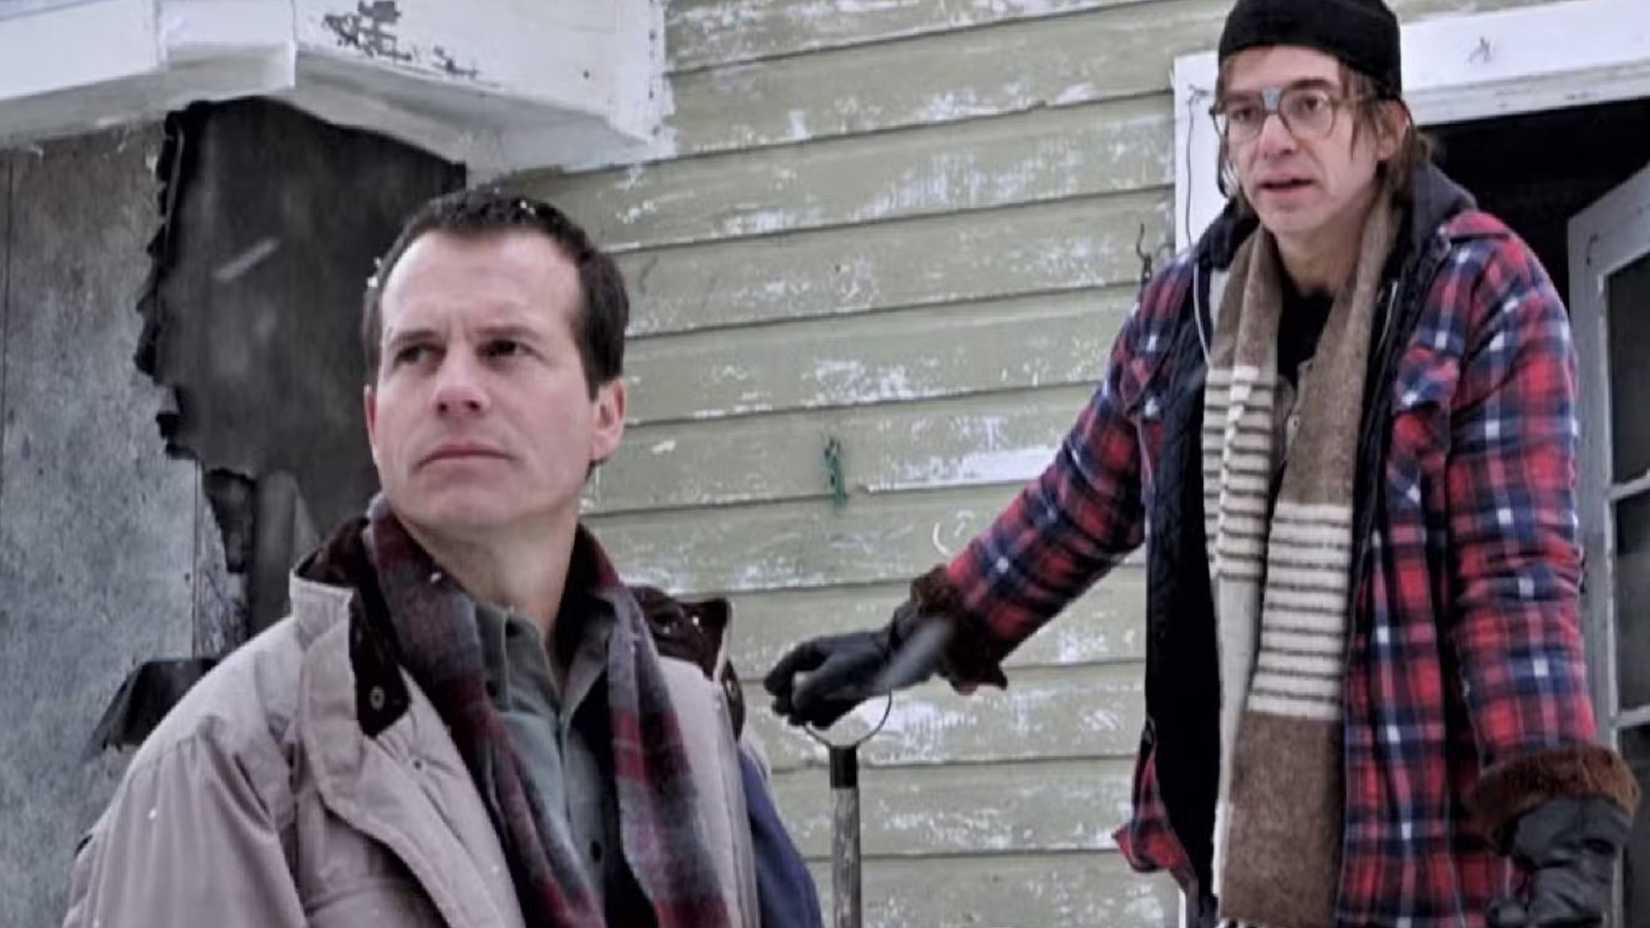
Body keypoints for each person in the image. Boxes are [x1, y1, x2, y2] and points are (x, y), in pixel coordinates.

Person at [765, 1, 1640, 926]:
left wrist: (1563, 837)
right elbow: (1073, 508)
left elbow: (1512, 580)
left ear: (1387, 128)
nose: (1274, 140)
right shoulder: (1185, 310)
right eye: (1246, 111)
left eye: (1310, 103)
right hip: (1229, 866)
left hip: (1414, 865)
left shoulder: (1482, 294)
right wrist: (908, 641)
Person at [65, 190, 821, 927]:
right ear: (374, 420)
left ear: (606, 414)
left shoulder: (693, 713)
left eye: (504, 349)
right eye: (417, 354)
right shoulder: (233, 759)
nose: (455, 389)